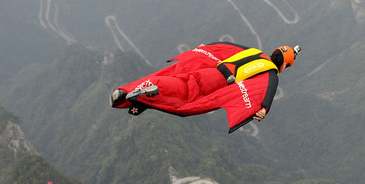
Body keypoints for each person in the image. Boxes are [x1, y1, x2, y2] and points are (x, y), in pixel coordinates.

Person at [111, 42, 300, 133]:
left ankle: (128, 93)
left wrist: (204, 48)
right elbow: (266, 92)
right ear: (285, 65)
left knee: (179, 80)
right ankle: (152, 92)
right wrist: (264, 109)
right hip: (216, 83)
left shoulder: (252, 51)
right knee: (183, 101)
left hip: (207, 71)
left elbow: (223, 47)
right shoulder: (270, 74)